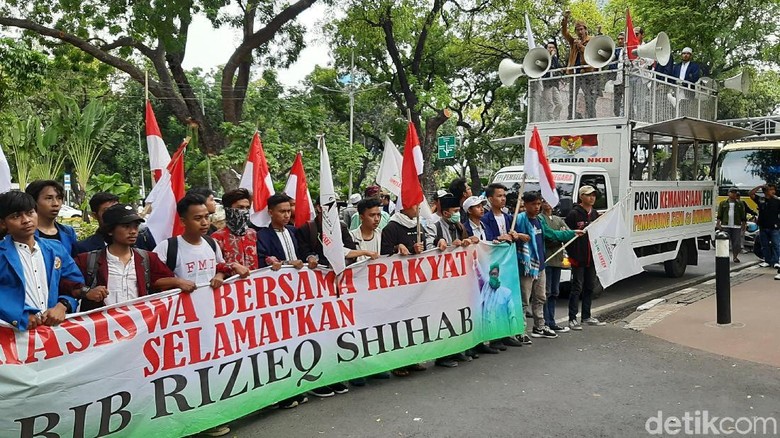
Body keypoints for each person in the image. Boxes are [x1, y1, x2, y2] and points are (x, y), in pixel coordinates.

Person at [74, 204, 183, 311]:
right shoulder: (87, 260)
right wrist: (87, 292)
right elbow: (69, 287)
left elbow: (161, 281)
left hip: (140, 324)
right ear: (110, 230)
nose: (133, 231)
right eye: (126, 226)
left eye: (135, 226)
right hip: (102, 326)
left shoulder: (149, 258)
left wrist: (178, 282)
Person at [0, 191, 82, 331]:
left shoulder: (55, 248)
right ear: (3, 223)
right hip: (13, 334)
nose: (26, 220)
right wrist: (18, 313)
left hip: (53, 331)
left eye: (30, 213)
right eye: (16, 216)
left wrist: (63, 305)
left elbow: (73, 283)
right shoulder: (2, 254)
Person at [514, 192, 580, 339]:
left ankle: (540, 326)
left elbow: (551, 234)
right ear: (525, 204)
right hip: (525, 266)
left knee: (541, 297)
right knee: (524, 300)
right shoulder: (518, 220)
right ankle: (520, 330)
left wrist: (572, 233)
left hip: (540, 264)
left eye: (538, 204)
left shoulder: (539, 221)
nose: (537, 207)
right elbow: (511, 236)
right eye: (533, 204)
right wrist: (517, 235)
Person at [153, 194, 236, 289]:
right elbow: (151, 280)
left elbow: (220, 267)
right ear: (182, 221)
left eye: (206, 217)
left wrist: (220, 276)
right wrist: (177, 282)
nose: (205, 223)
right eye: (198, 218)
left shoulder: (212, 243)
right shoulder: (167, 247)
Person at [565, 186, 607, 330]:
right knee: (577, 287)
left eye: (594, 195)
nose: (592, 198)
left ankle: (586, 316)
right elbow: (567, 236)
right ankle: (572, 318)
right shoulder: (573, 214)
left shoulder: (595, 213)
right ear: (581, 196)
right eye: (589, 195)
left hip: (592, 256)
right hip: (578, 257)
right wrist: (572, 255)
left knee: (590, 286)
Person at [257, 194, 319, 271]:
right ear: (270, 213)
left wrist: (310, 257)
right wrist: (287, 263)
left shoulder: (294, 231)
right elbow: (262, 260)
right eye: (282, 211)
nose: (287, 215)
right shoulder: (262, 235)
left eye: (289, 211)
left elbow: (304, 250)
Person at [540, 199, 572, 333]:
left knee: (554, 292)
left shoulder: (558, 219)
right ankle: (545, 321)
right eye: (544, 201)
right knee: (545, 293)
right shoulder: (540, 219)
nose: (547, 204)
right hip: (546, 259)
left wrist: (561, 236)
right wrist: (560, 235)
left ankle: (552, 321)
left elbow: (568, 234)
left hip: (557, 259)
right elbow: (548, 236)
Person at [25, 180, 79, 256]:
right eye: (49, 198)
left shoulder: (68, 232)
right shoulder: (26, 232)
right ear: (34, 201)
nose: (56, 203)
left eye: (59, 198)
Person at [211, 188, 259, 272]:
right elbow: (212, 265)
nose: (244, 211)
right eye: (240, 207)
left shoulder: (253, 234)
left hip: (254, 283)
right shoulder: (217, 237)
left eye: (247, 208)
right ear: (228, 210)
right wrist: (231, 266)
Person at [561, 10, 597, 119]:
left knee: (589, 97)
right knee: (572, 97)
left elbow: (592, 54)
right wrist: (565, 19)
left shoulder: (592, 40)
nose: (579, 32)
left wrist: (581, 46)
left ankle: (591, 118)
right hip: (574, 73)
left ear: (586, 30)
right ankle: (570, 117)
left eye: (581, 29)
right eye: (577, 30)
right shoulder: (574, 41)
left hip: (587, 73)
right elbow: (565, 33)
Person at [749, 184, 780, 268]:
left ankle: (776, 261)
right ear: (765, 191)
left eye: (773, 189)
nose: (773, 191)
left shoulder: (777, 200)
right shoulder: (761, 199)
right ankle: (767, 260)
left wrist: (775, 197)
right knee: (764, 245)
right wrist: (759, 186)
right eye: (770, 189)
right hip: (763, 226)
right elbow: (751, 194)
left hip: (774, 226)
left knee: (776, 244)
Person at [716, 188, 747, 263]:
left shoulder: (740, 204)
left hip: (736, 226)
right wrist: (718, 223)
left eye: (735, 193)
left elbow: (743, 215)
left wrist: (743, 225)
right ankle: (724, 257)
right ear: (728, 193)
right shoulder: (723, 203)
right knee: (725, 242)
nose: (733, 194)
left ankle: (735, 257)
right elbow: (720, 214)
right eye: (732, 192)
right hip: (725, 225)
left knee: (736, 243)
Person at [348, 197, 383, 263]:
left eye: (378, 215)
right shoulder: (351, 237)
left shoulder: (382, 234)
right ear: (361, 217)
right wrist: (363, 252)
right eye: (372, 215)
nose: (377, 219)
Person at [541, 40, 564, 120]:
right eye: (549, 47)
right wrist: (550, 56)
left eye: (553, 48)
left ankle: (554, 118)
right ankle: (550, 119)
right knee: (549, 103)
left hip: (555, 84)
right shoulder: (543, 57)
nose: (551, 49)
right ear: (546, 49)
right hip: (547, 84)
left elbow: (559, 68)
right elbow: (545, 65)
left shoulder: (555, 59)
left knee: (560, 104)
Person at [609, 32, 626, 117]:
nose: (619, 41)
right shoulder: (617, 51)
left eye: (622, 39)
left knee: (628, 101)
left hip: (627, 80)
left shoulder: (629, 50)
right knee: (617, 102)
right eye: (618, 39)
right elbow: (610, 60)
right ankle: (617, 116)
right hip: (618, 80)